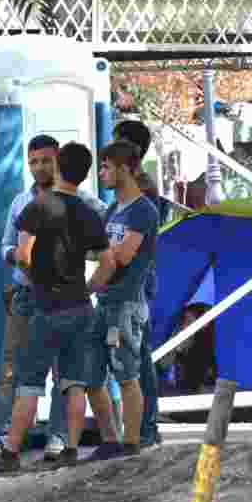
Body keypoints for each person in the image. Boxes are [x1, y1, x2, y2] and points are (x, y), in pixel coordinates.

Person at [0, 143, 118, 474]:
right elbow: (108, 262)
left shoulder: (37, 207)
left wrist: (36, 276)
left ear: (57, 168)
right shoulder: (88, 212)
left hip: (45, 307)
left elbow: (23, 254)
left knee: (29, 382)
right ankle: (70, 449)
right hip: (80, 307)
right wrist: (88, 288)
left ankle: (11, 452)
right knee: (72, 381)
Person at [90, 139, 159, 458]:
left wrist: (89, 284)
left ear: (126, 169)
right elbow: (101, 252)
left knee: (127, 374)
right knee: (92, 374)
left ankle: (131, 443)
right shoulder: (111, 211)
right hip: (104, 303)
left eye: (107, 166)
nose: (101, 172)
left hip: (126, 304)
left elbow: (121, 256)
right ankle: (110, 440)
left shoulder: (143, 210)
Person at [111, 119, 164, 450]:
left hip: (135, 285)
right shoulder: (133, 191)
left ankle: (145, 427)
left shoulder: (141, 193)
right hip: (133, 284)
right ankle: (142, 426)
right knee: (134, 355)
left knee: (138, 357)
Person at [159, 303, 215, 393]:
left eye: (189, 323)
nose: (184, 327)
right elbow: (162, 366)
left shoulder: (207, 352)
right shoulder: (173, 341)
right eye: (183, 322)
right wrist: (175, 350)